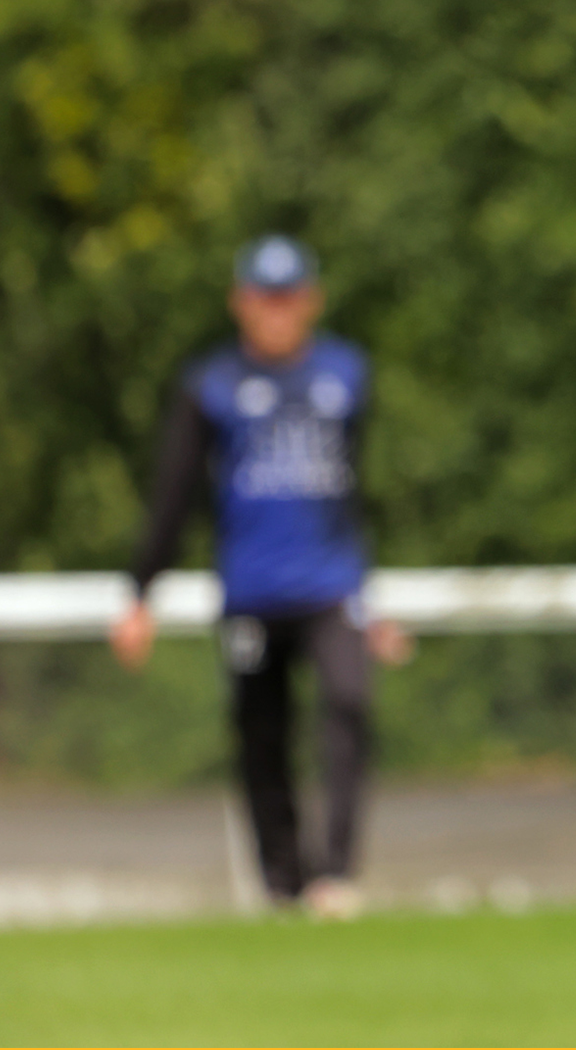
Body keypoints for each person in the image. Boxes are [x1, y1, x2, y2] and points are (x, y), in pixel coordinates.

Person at [110, 236, 409, 920]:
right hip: (251, 590)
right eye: (264, 298)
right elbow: (175, 493)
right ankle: (284, 883)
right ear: (241, 302)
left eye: (289, 296)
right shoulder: (211, 385)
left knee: (349, 704)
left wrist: (371, 597)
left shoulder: (345, 375)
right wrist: (139, 594)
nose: (277, 312)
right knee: (260, 738)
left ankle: (336, 877)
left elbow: (354, 497)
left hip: (331, 586)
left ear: (311, 300)